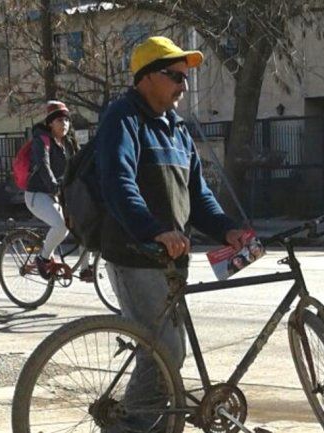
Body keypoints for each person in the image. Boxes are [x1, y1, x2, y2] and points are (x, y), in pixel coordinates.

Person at [92, 36, 245, 432]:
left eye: (186, 76)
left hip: (172, 259)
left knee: (163, 357)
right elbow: (118, 183)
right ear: (147, 77)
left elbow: (199, 194)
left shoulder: (176, 129)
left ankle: (148, 426)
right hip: (135, 254)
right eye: (175, 75)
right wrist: (154, 230)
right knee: (164, 352)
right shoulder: (122, 118)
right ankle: (129, 428)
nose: (184, 85)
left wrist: (227, 230)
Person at [24, 100, 92, 282]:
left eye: (67, 121)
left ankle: (86, 269)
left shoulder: (69, 143)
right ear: (50, 123)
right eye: (60, 121)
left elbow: (80, 167)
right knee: (61, 226)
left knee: (85, 223)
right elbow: (43, 165)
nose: (65, 124)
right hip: (38, 194)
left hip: (60, 194)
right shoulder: (42, 140)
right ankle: (43, 257)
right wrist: (54, 186)